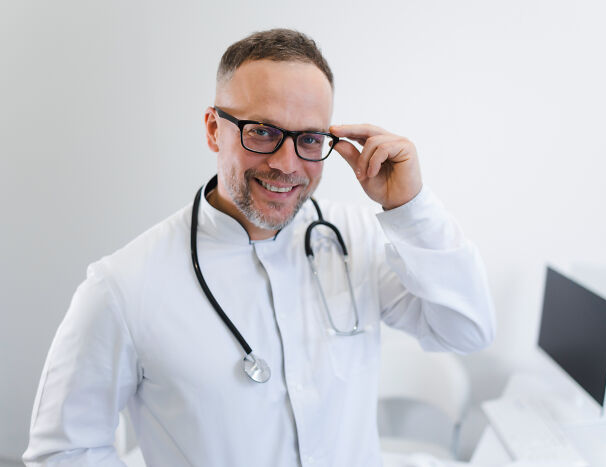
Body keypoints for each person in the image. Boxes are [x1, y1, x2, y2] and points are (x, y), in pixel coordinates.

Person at [23, 29, 495, 466]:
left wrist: (410, 208)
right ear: (214, 129)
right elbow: (63, 451)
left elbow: (468, 330)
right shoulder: (121, 288)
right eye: (262, 132)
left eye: (309, 138)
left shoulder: (355, 236)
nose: (287, 164)